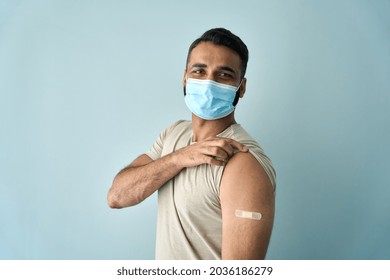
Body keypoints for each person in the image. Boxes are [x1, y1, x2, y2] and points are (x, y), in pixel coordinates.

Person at [107, 28, 276, 260]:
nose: (208, 83)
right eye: (199, 71)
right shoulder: (174, 134)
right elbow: (117, 196)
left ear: (242, 87)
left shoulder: (242, 162)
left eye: (224, 75)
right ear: (185, 77)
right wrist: (178, 158)